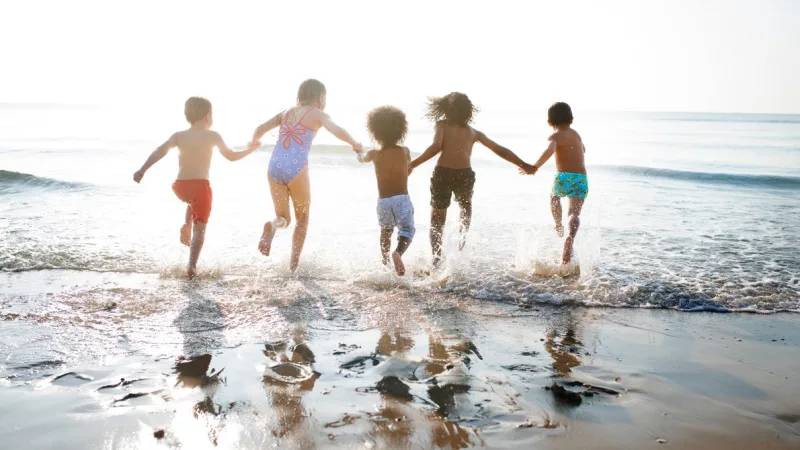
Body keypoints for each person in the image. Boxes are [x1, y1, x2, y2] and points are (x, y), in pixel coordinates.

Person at [133, 97, 258, 278]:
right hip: (200, 185)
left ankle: (186, 224)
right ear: (208, 116)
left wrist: (142, 170)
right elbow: (231, 156)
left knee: (192, 203)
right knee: (201, 228)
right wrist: (251, 150)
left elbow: (160, 150)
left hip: (180, 186)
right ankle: (192, 265)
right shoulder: (213, 135)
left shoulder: (179, 135)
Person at [409, 92, 535, 266]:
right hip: (464, 174)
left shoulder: (442, 125)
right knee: (465, 207)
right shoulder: (473, 132)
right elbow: (500, 150)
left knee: (438, 216)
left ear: (446, 108)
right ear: (468, 111)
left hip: (443, 173)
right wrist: (522, 163)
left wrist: (413, 164)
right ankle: (461, 242)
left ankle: (437, 256)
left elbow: (436, 147)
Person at [249, 79, 362, 272]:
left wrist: (254, 141)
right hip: (296, 167)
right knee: (302, 217)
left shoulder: (286, 113)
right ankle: (293, 266)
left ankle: (273, 226)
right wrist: (355, 144)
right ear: (319, 96)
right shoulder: (318, 114)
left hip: (274, 166)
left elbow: (259, 129)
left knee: (283, 218)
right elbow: (337, 130)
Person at [524, 102, 587, 265]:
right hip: (580, 178)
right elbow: (583, 149)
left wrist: (535, 166)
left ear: (549, 123)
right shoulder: (577, 134)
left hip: (562, 177)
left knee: (554, 198)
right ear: (571, 119)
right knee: (574, 213)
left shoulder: (554, 137)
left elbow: (549, 150)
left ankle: (558, 225)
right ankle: (570, 237)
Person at [356, 106, 414, 276]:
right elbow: (408, 168)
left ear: (375, 133)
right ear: (401, 130)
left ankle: (385, 264)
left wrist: (358, 151)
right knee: (407, 230)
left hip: (383, 202)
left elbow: (361, 159)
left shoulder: (374, 154)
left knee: (386, 231)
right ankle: (398, 253)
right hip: (402, 199)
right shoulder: (404, 151)